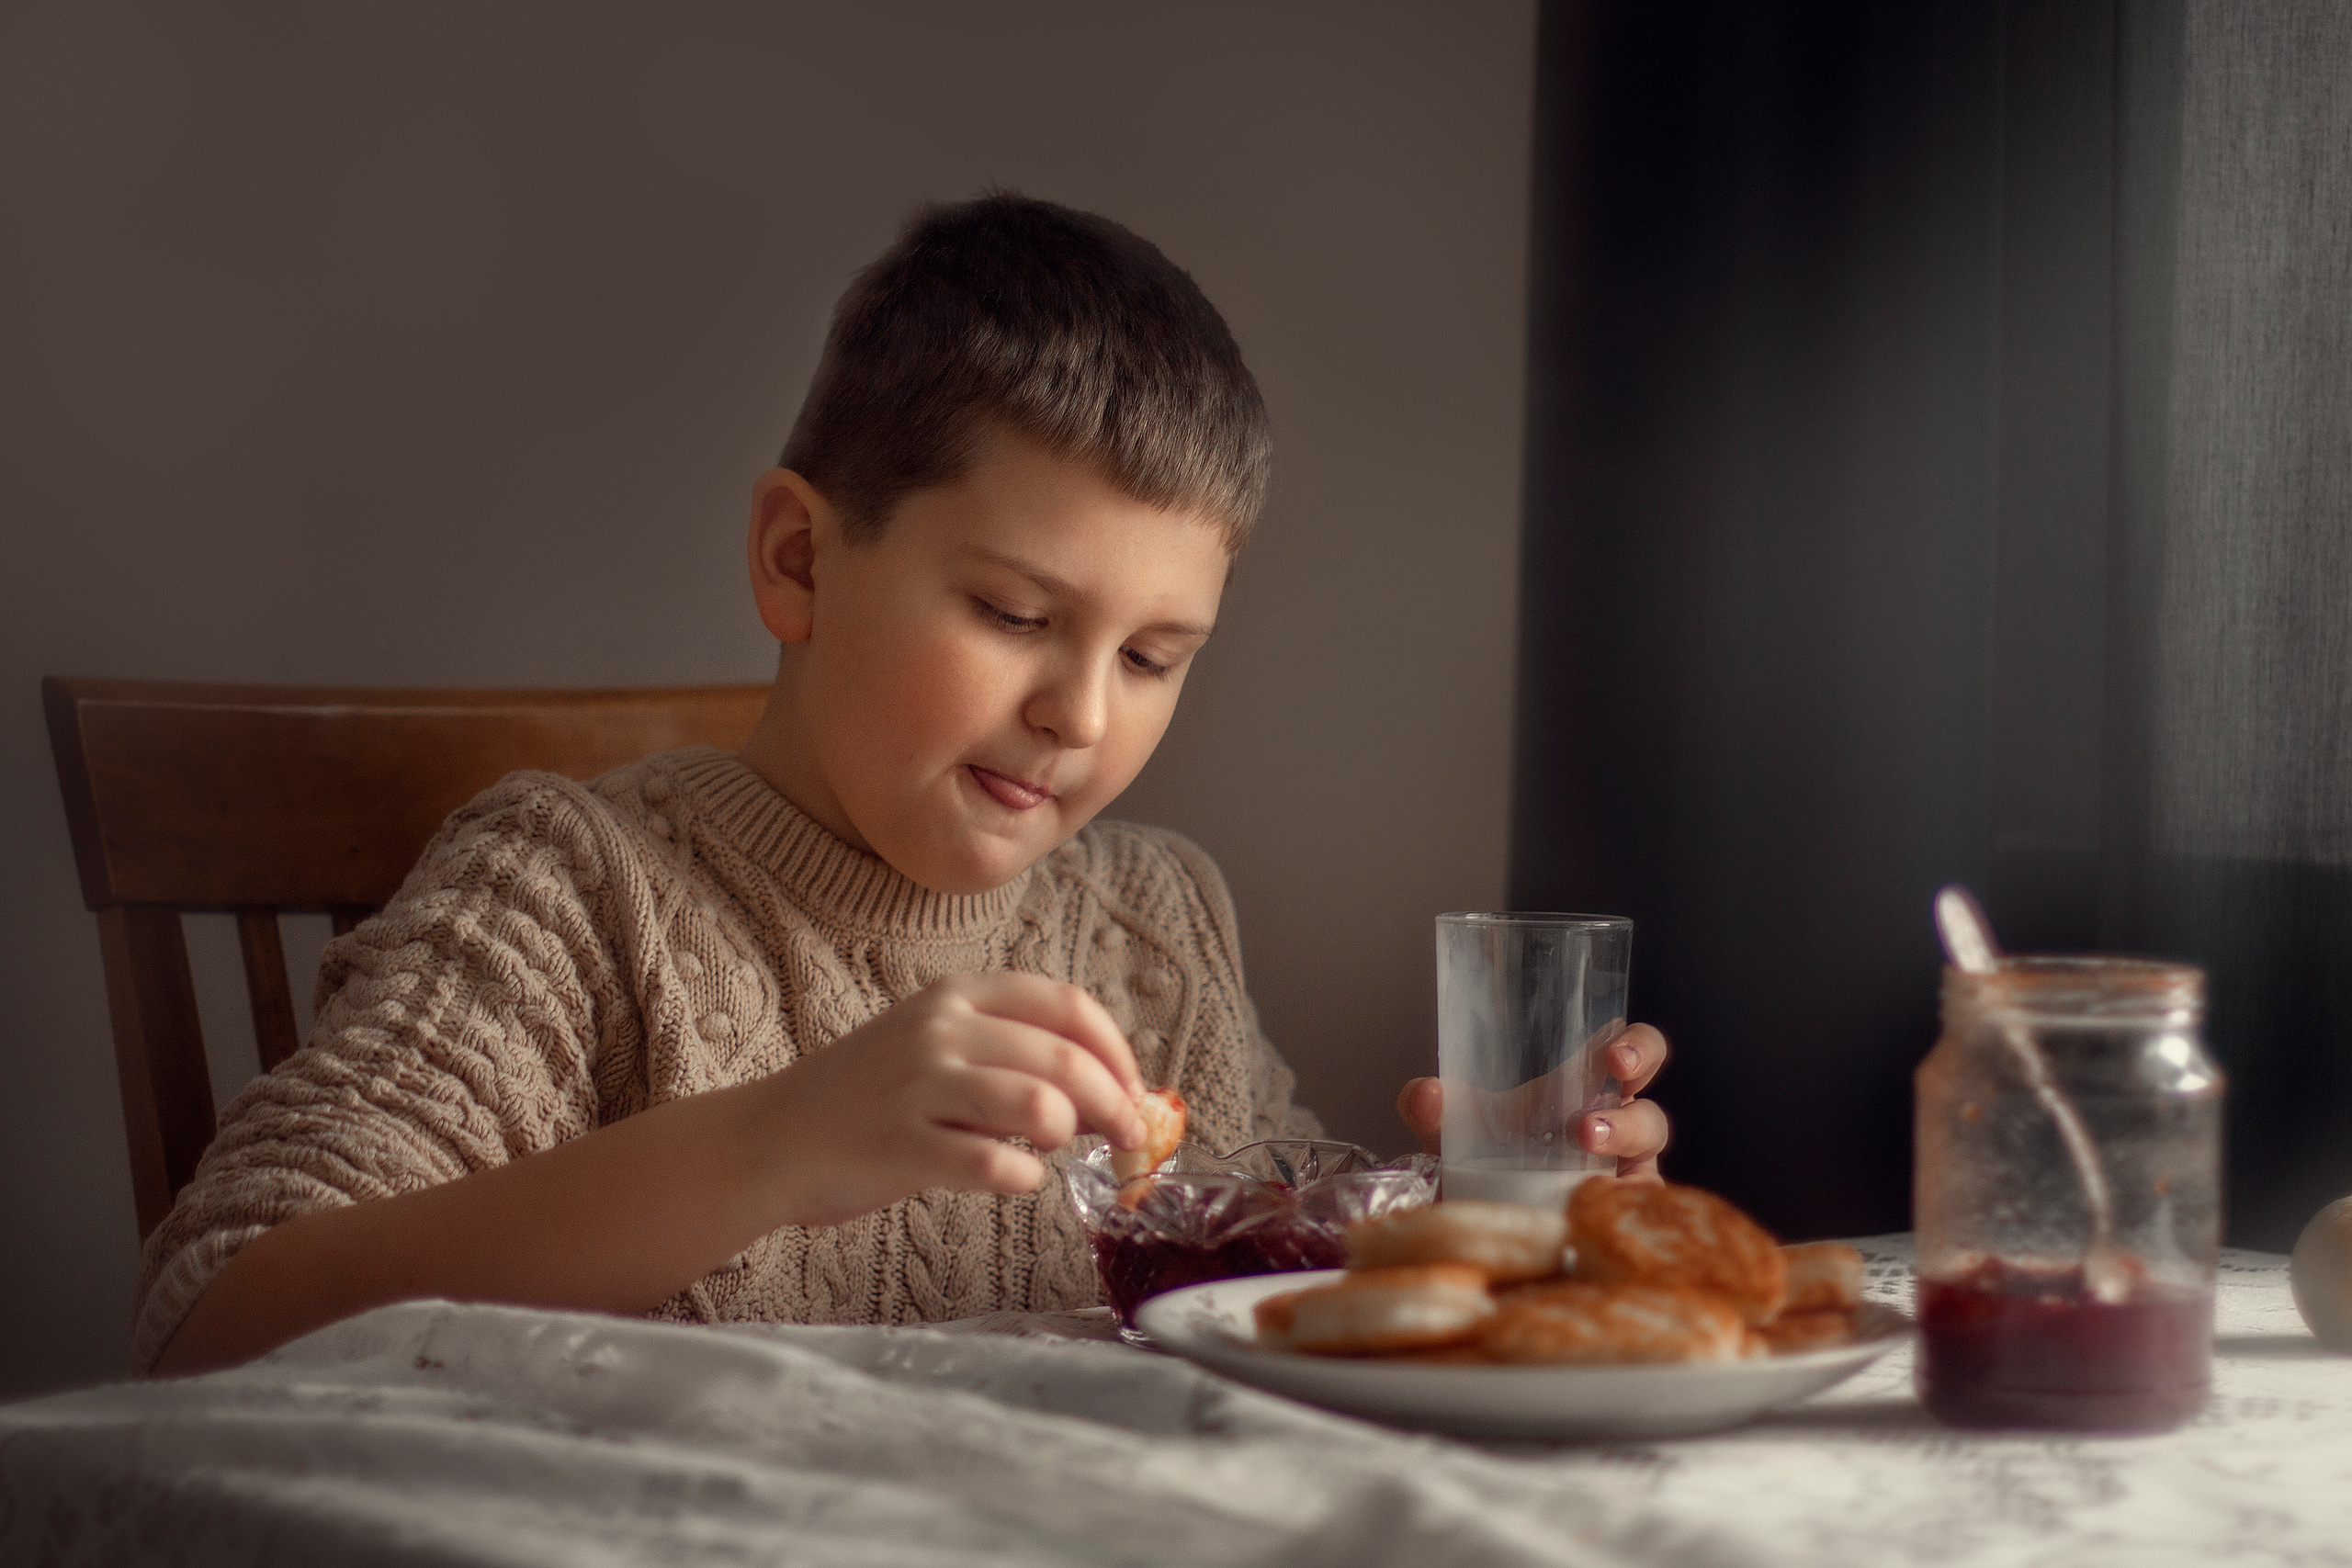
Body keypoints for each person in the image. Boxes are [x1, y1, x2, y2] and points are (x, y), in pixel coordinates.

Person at [140, 194, 1671, 1376]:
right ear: (799, 560)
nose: (1079, 712)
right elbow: (212, 1322)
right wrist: (771, 1145)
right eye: (1013, 614)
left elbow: (1259, 1313)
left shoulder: (1153, 928)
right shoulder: (570, 892)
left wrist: (1474, 1217)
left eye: (1153, 657)